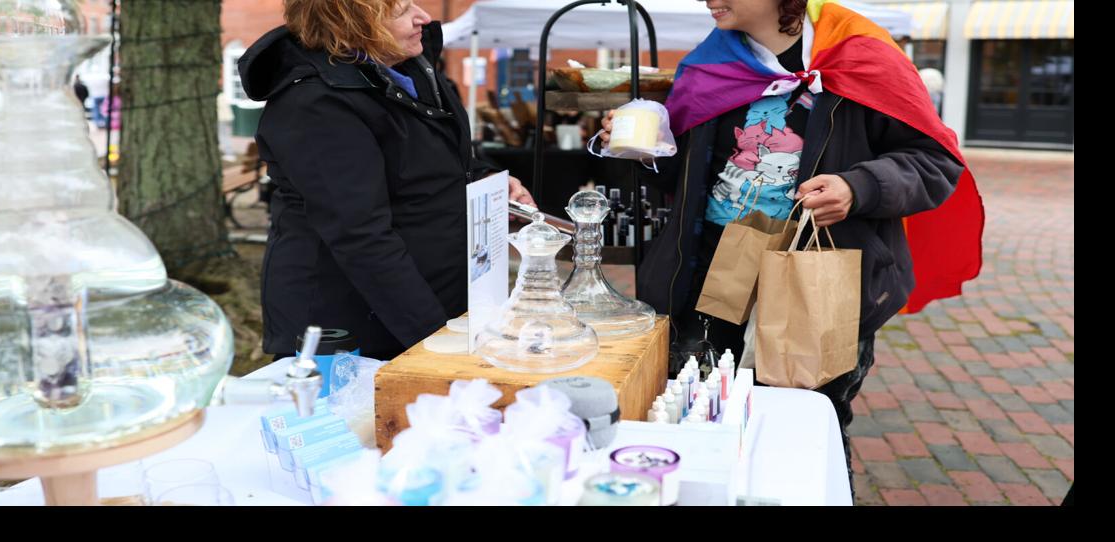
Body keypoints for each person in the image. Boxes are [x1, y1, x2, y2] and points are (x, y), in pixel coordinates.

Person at [599, 0, 982, 478]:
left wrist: (857, 187)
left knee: (807, 424)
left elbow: (934, 162)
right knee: (700, 409)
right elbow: (680, 177)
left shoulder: (861, 53)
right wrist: (643, 147)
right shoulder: (710, 63)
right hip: (709, 274)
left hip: (818, 279)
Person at [239, 0, 536, 360]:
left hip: (431, 308)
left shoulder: (408, 68)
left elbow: (435, 162)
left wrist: (486, 179)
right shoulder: (315, 103)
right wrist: (433, 342)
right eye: (400, 11)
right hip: (355, 331)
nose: (423, 17)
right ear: (350, 23)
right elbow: (361, 236)